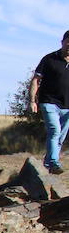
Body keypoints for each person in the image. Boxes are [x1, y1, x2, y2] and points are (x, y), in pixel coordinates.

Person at [30, 30, 69, 174]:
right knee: (55, 131)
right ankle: (53, 162)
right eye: (67, 43)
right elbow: (36, 80)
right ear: (62, 42)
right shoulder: (49, 59)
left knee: (60, 137)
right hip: (49, 102)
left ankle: (48, 163)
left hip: (67, 106)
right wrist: (32, 100)